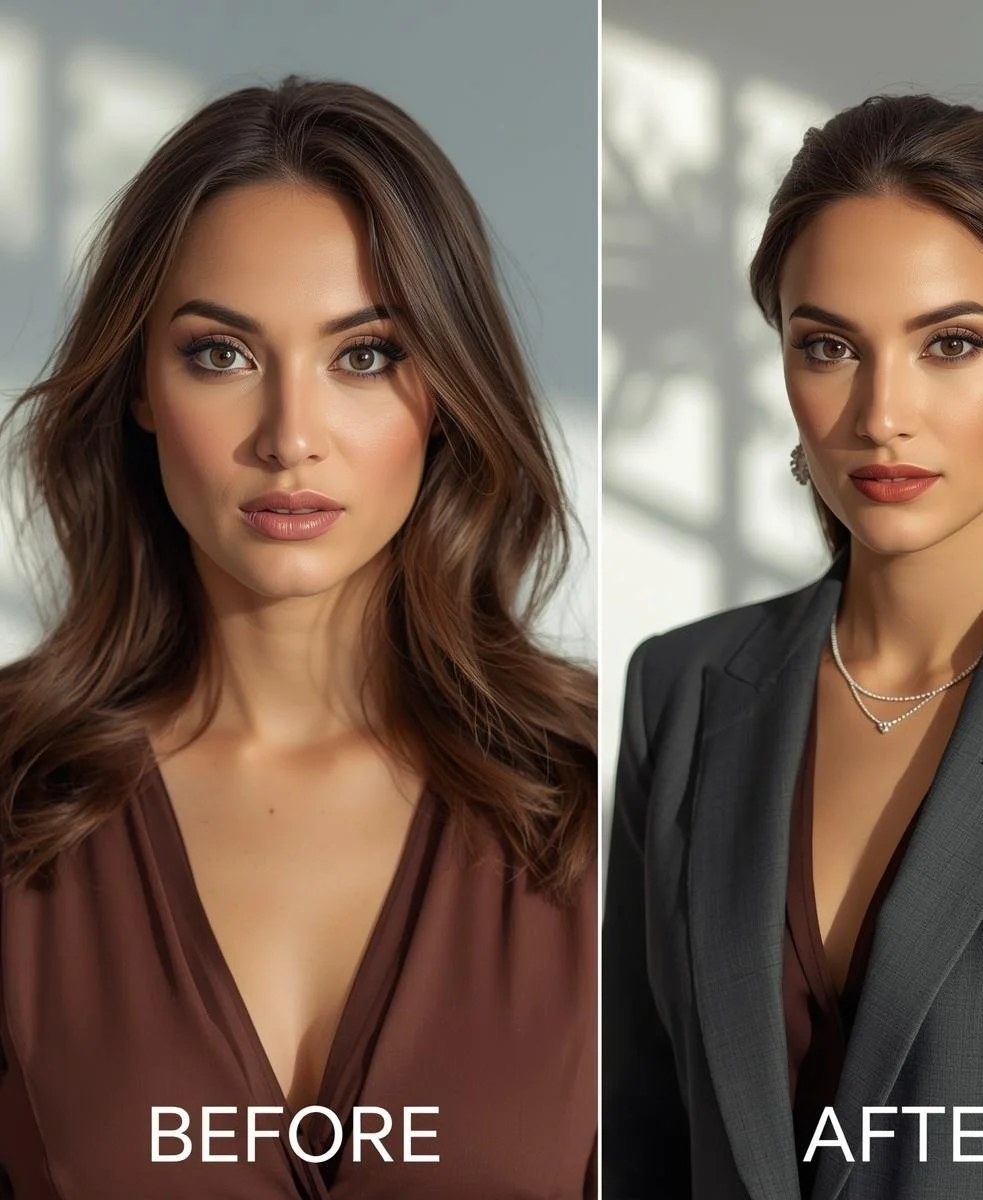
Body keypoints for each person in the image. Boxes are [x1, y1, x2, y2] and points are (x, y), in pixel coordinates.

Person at [0, 76, 596, 1199]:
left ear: (448, 390)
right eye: (221, 356)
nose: (290, 438)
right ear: (137, 385)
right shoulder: (14, 787)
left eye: (363, 356)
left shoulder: (615, 791)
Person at [602, 92, 983, 1199]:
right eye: (829, 345)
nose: (882, 412)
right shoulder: (677, 693)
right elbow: (639, 1142)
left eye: (952, 343)